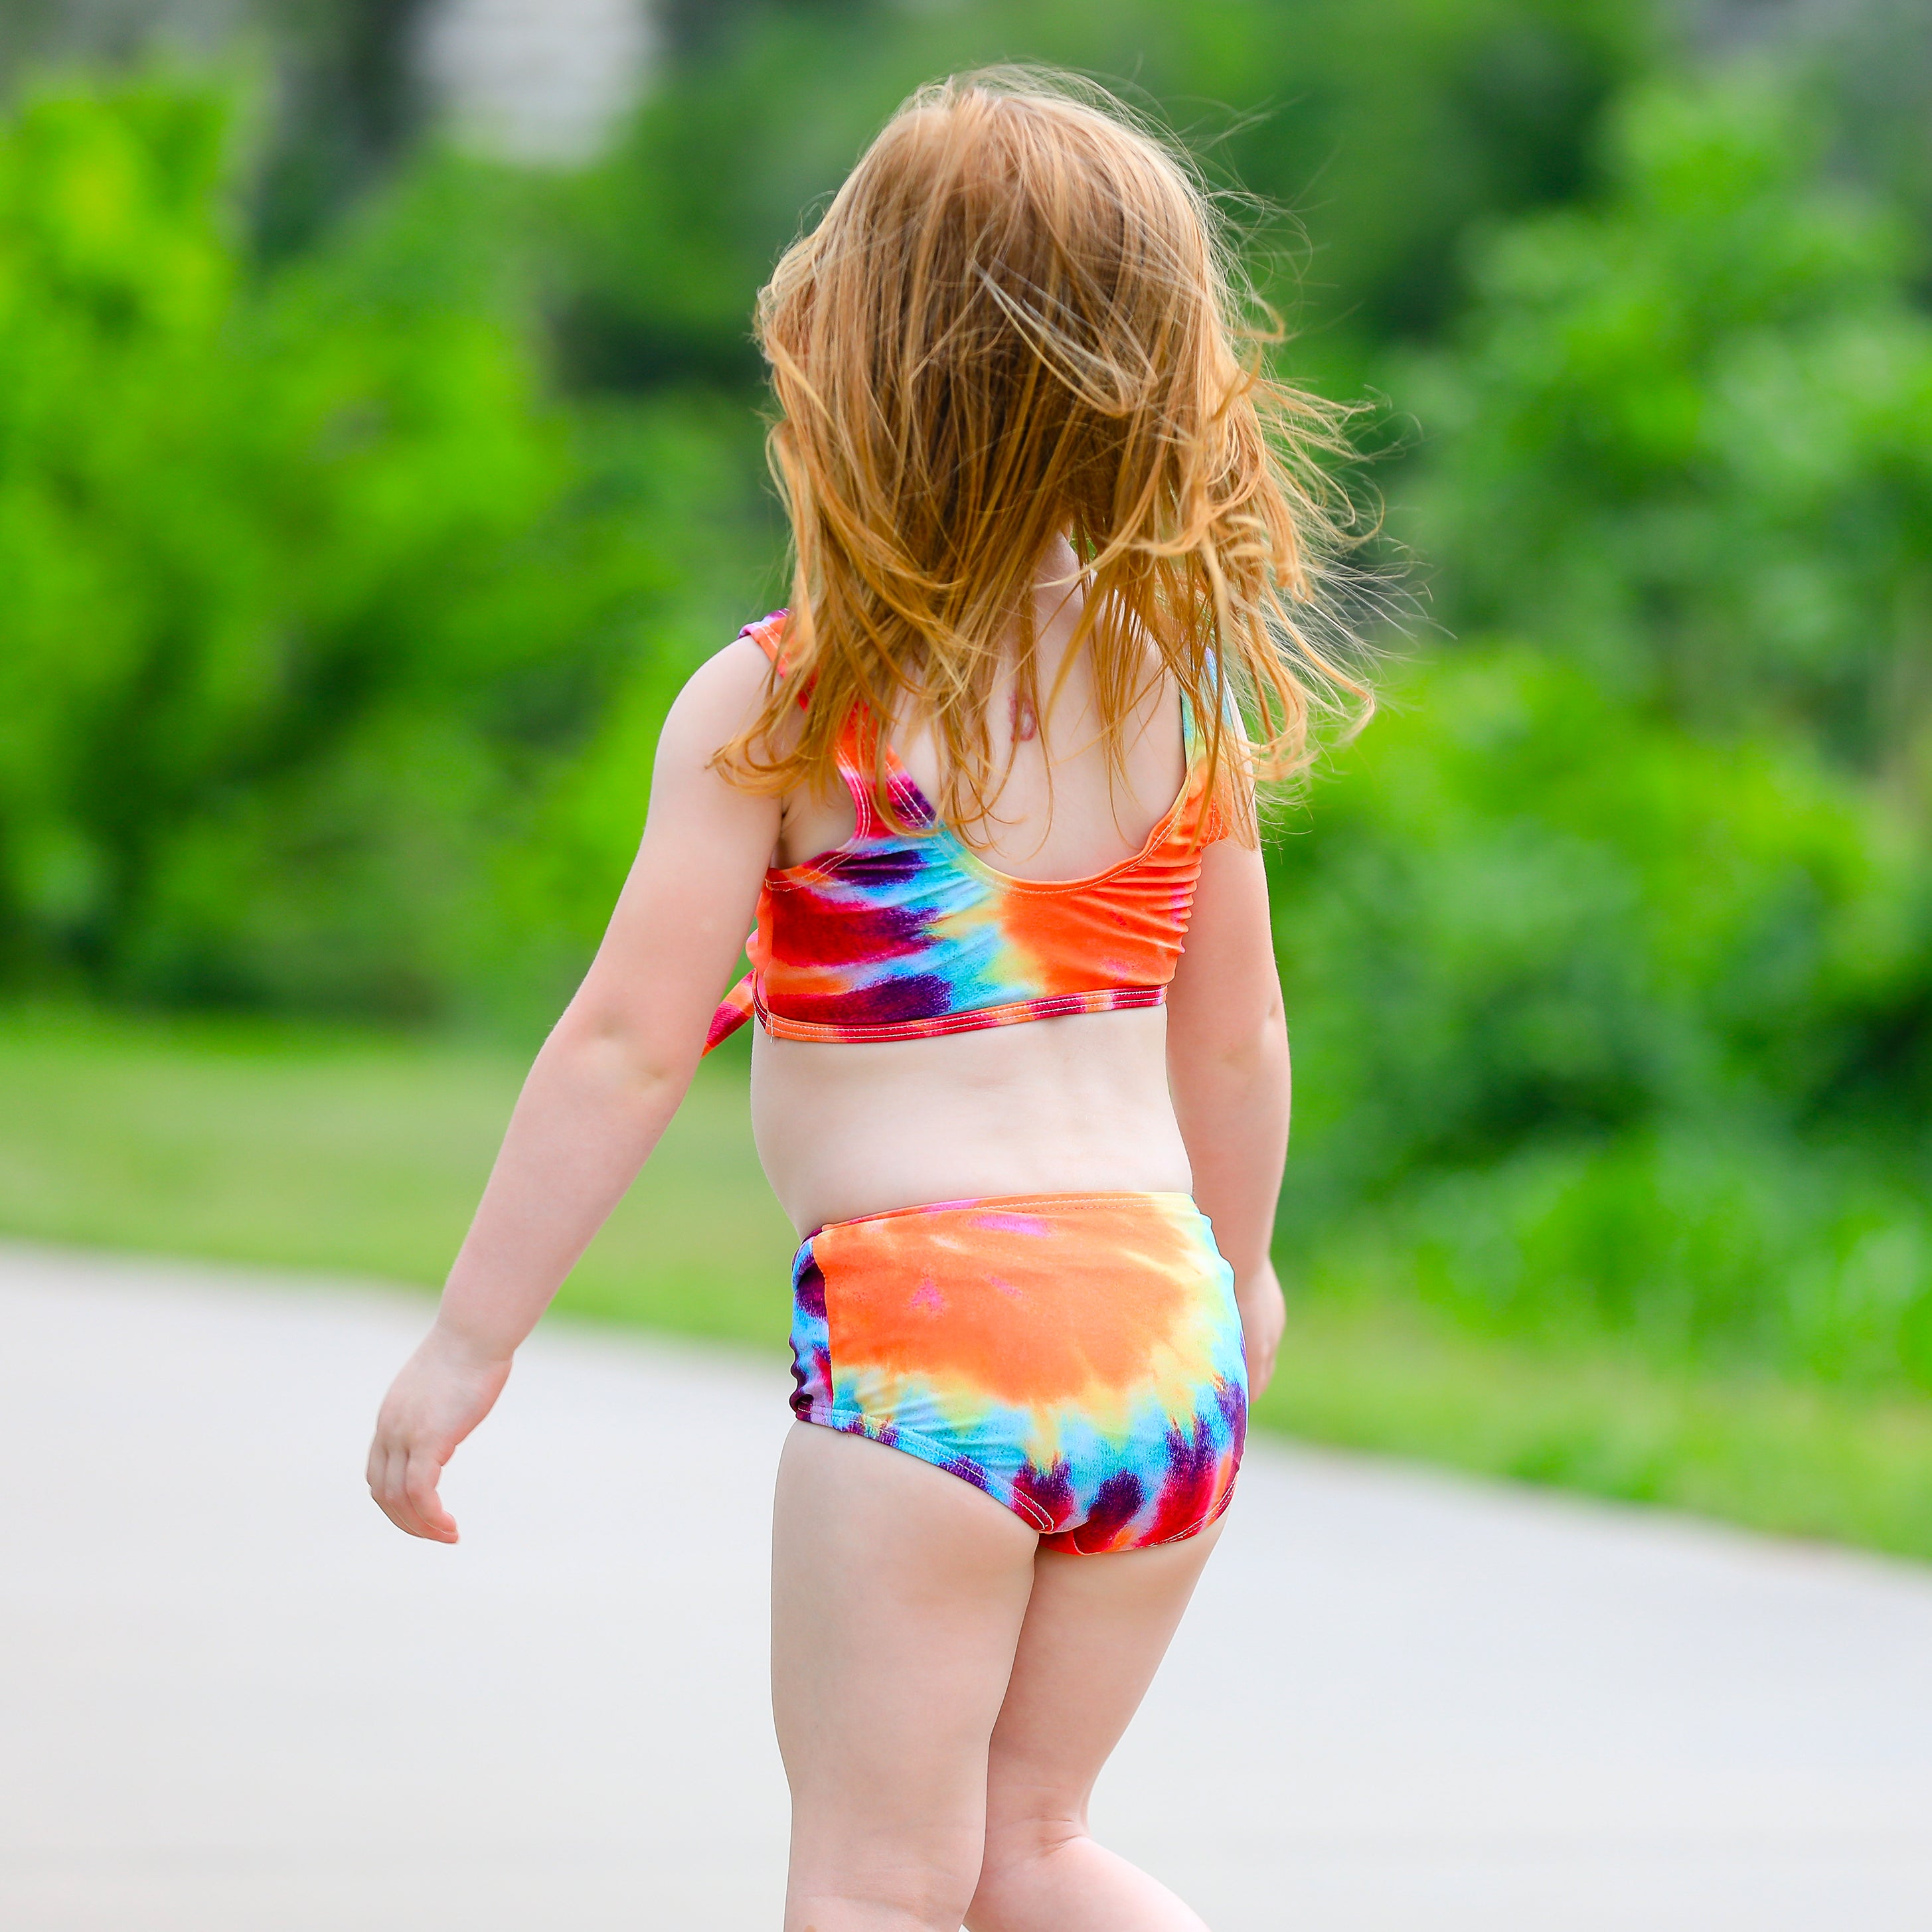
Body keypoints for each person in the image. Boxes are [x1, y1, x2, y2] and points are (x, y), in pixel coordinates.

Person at [368, 67, 1362, 1932]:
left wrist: (468, 1344)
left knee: (879, 1887)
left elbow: (626, 1041)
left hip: (939, 1338)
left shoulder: (787, 705)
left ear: (858, 371)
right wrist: (1248, 1278)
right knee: (1034, 1848)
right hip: (1163, 1327)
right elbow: (1237, 1035)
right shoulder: (1183, 690)